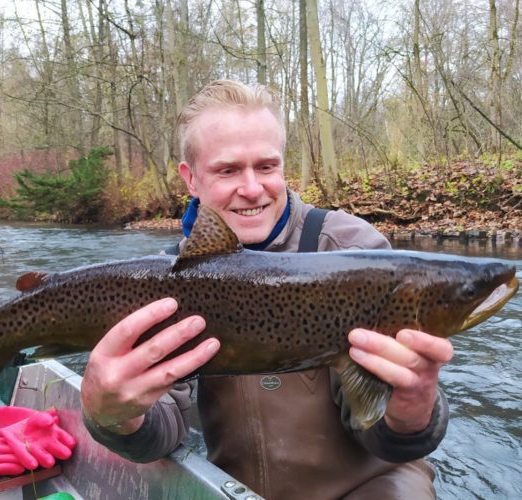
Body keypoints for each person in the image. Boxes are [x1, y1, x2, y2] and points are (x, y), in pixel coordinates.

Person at [80, 80, 453, 499]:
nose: (253, 188)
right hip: (236, 490)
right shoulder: (165, 278)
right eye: (227, 170)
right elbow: (163, 435)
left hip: (369, 487)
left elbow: (383, 435)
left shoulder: (349, 248)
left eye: (266, 166)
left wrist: (413, 413)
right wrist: (113, 416)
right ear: (191, 179)